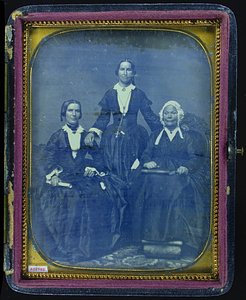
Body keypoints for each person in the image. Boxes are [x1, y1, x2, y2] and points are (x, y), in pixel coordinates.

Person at [39, 99, 127, 263]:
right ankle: (67, 247)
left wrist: (91, 168)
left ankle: (88, 247)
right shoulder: (57, 135)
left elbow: (99, 158)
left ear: (80, 114)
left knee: (94, 196)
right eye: (70, 110)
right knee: (70, 198)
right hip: (62, 176)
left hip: (81, 176)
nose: (73, 114)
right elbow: (48, 159)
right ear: (64, 114)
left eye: (77, 111)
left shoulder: (87, 135)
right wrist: (54, 174)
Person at [130, 101, 211, 259]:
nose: (169, 116)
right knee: (146, 187)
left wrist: (186, 167)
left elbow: (194, 157)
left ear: (178, 116)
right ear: (162, 117)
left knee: (176, 189)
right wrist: (147, 161)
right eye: (166, 113)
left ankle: (173, 237)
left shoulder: (185, 136)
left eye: (172, 113)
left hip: (177, 171)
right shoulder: (155, 135)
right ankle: (151, 237)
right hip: (157, 170)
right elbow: (146, 153)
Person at [84, 59, 161, 183]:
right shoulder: (110, 93)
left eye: (128, 69)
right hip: (112, 139)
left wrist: (169, 127)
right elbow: (103, 117)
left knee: (133, 171)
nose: (125, 73)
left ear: (133, 73)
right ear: (117, 72)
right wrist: (92, 132)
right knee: (111, 169)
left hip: (134, 138)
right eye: (122, 69)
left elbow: (149, 116)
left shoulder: (139, 94)